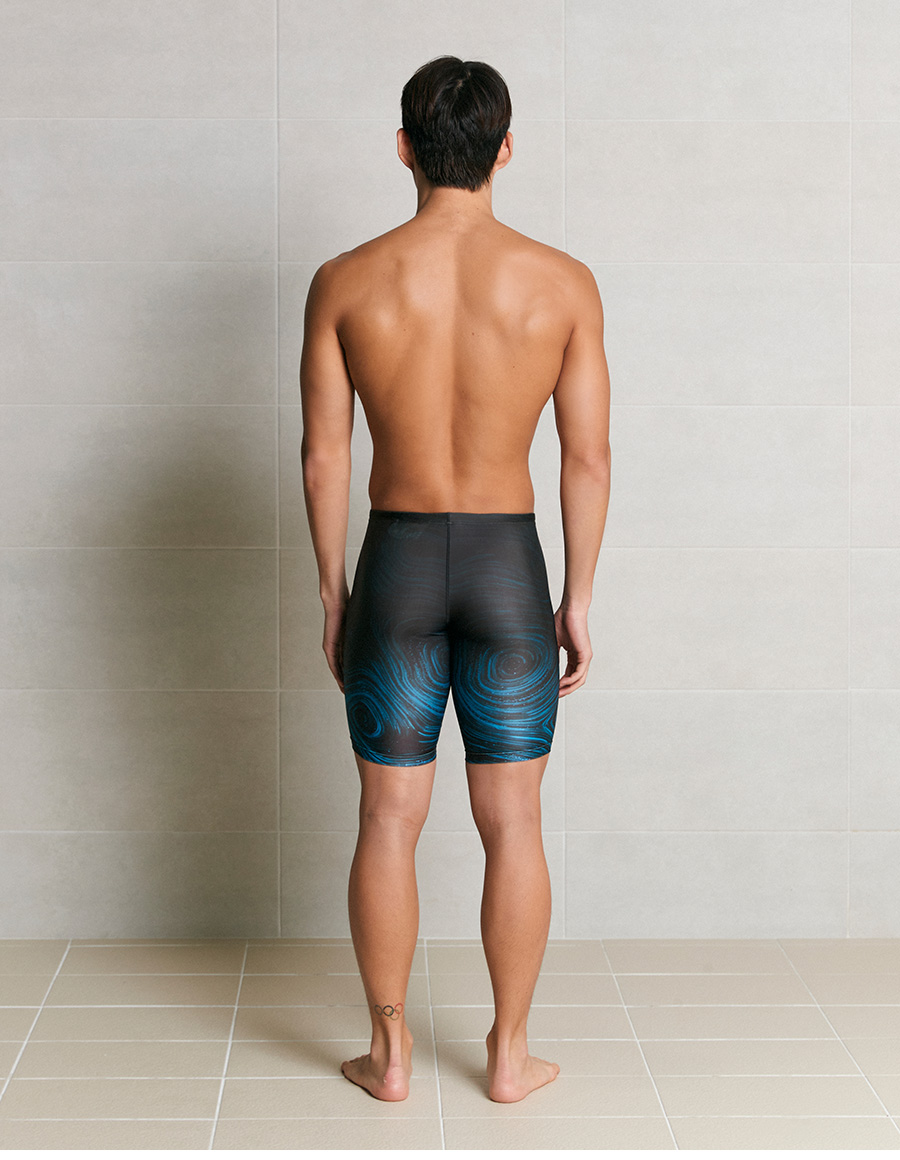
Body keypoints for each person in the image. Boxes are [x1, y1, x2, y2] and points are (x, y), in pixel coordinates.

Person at [299, 55, 611, 1104]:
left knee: (386, 819)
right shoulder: (562, 282)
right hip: (506, 569)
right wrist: (576, 596)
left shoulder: (345, 280)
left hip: (395, 565)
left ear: (404, 147)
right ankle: (509, 1055)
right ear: (505, 149)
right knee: (513, 821)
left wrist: (336, 594)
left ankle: (387, 1054)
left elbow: (324, 457)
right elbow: (586, 457)